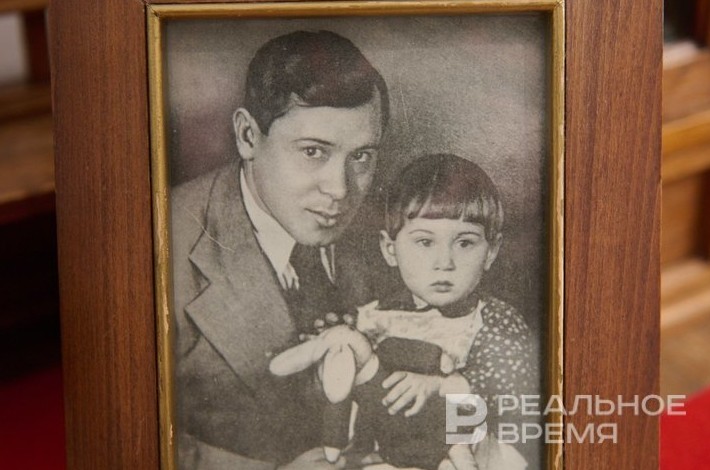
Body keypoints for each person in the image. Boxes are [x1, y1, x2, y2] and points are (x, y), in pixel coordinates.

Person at [170, 30, 389, 469]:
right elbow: (128, 435)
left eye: (361, 157)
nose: (339, 189)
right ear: (248, 136)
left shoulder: (394, 236)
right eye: (313, 152)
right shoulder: (159, 245)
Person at [325, 154, 535, 469]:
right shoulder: (377, 316)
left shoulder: (495, 319)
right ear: (390, 249)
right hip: (391, 453)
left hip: (473, 456)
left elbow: (510, 383)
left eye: (465, 243)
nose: (444, 263)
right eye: (425, 242)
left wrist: (438, 385)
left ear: (491, 251)